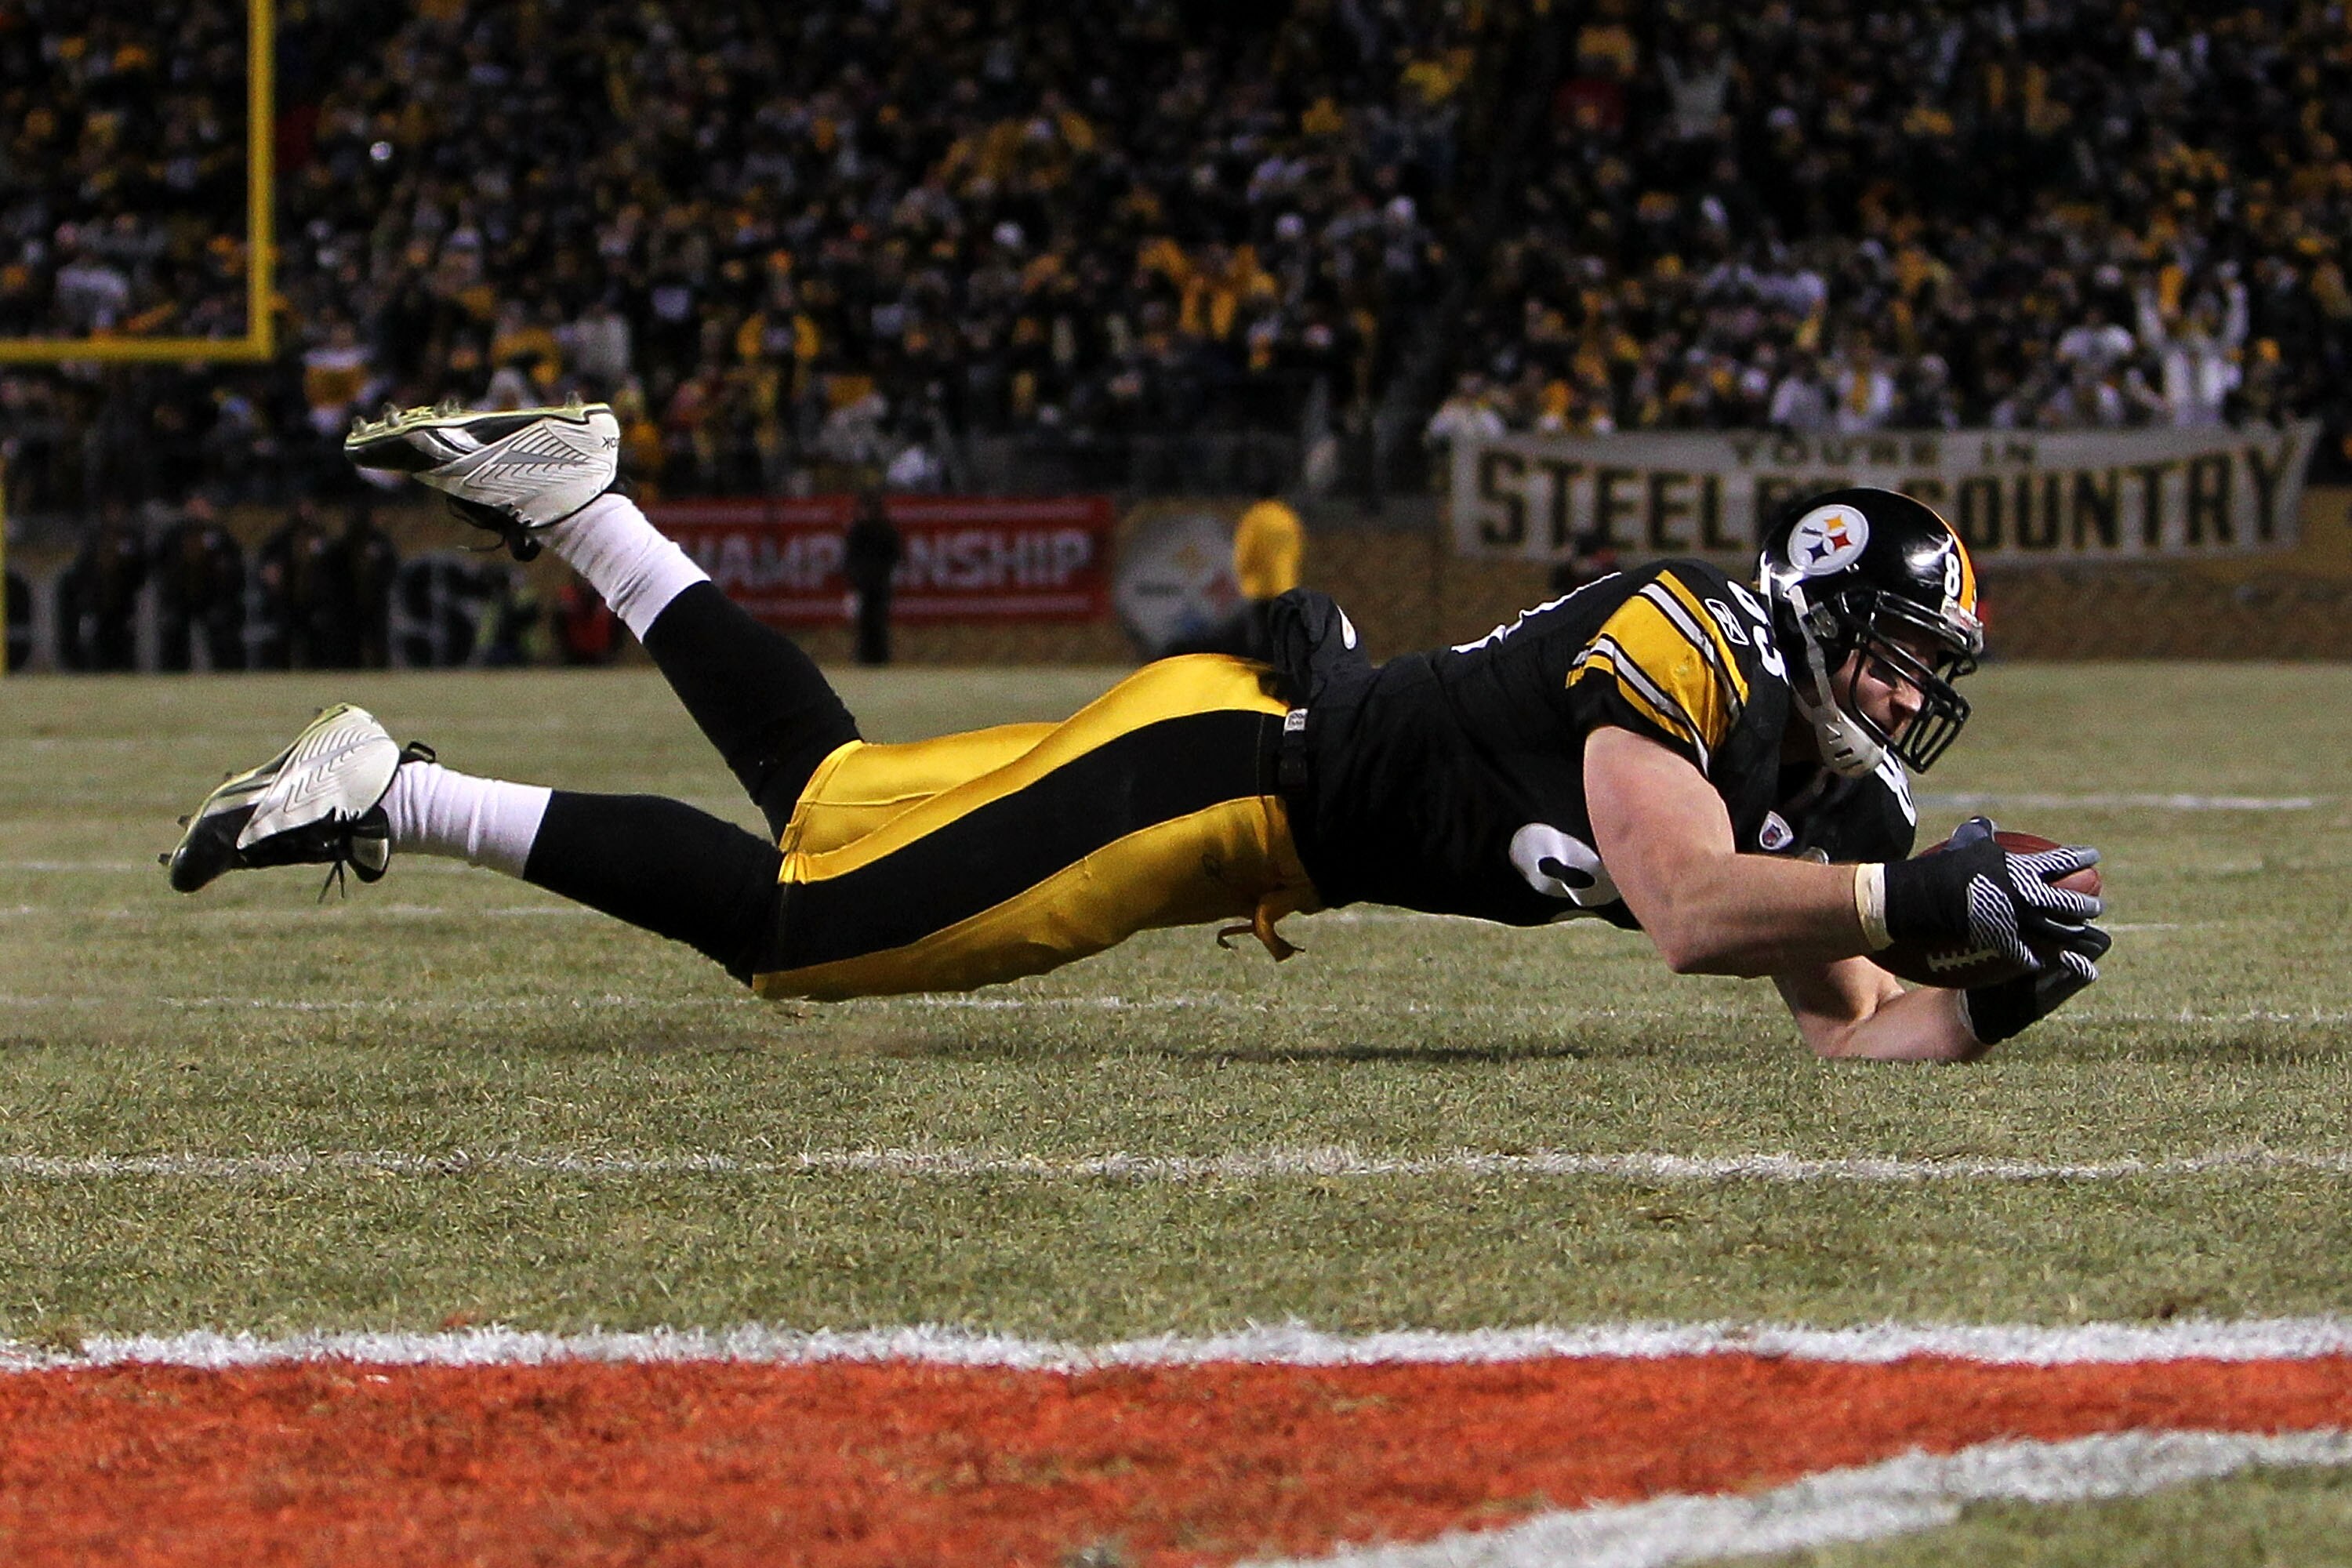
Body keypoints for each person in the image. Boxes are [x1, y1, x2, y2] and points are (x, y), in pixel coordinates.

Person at [164, 401, 2110, 1062]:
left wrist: (1986, 978)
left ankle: (582, 503)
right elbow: (1689, 908)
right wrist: (1911, 880)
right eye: (1901, 659)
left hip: (1245, 749)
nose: (1911, 705)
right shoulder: (1686, 656)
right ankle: (394, 783)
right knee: (805, 929)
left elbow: (1853, 1028)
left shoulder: (1784, 753)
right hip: (1213, 794)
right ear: (1824, 616)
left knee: (834, 796)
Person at [842, 488, 902, 666]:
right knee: (864, 622)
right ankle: (865, 656)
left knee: (878, 621)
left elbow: (894, 555)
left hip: (879, 583)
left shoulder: (885, 531)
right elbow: (850, 558)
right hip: (863, 584)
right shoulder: (857, 531)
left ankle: (880, 657)